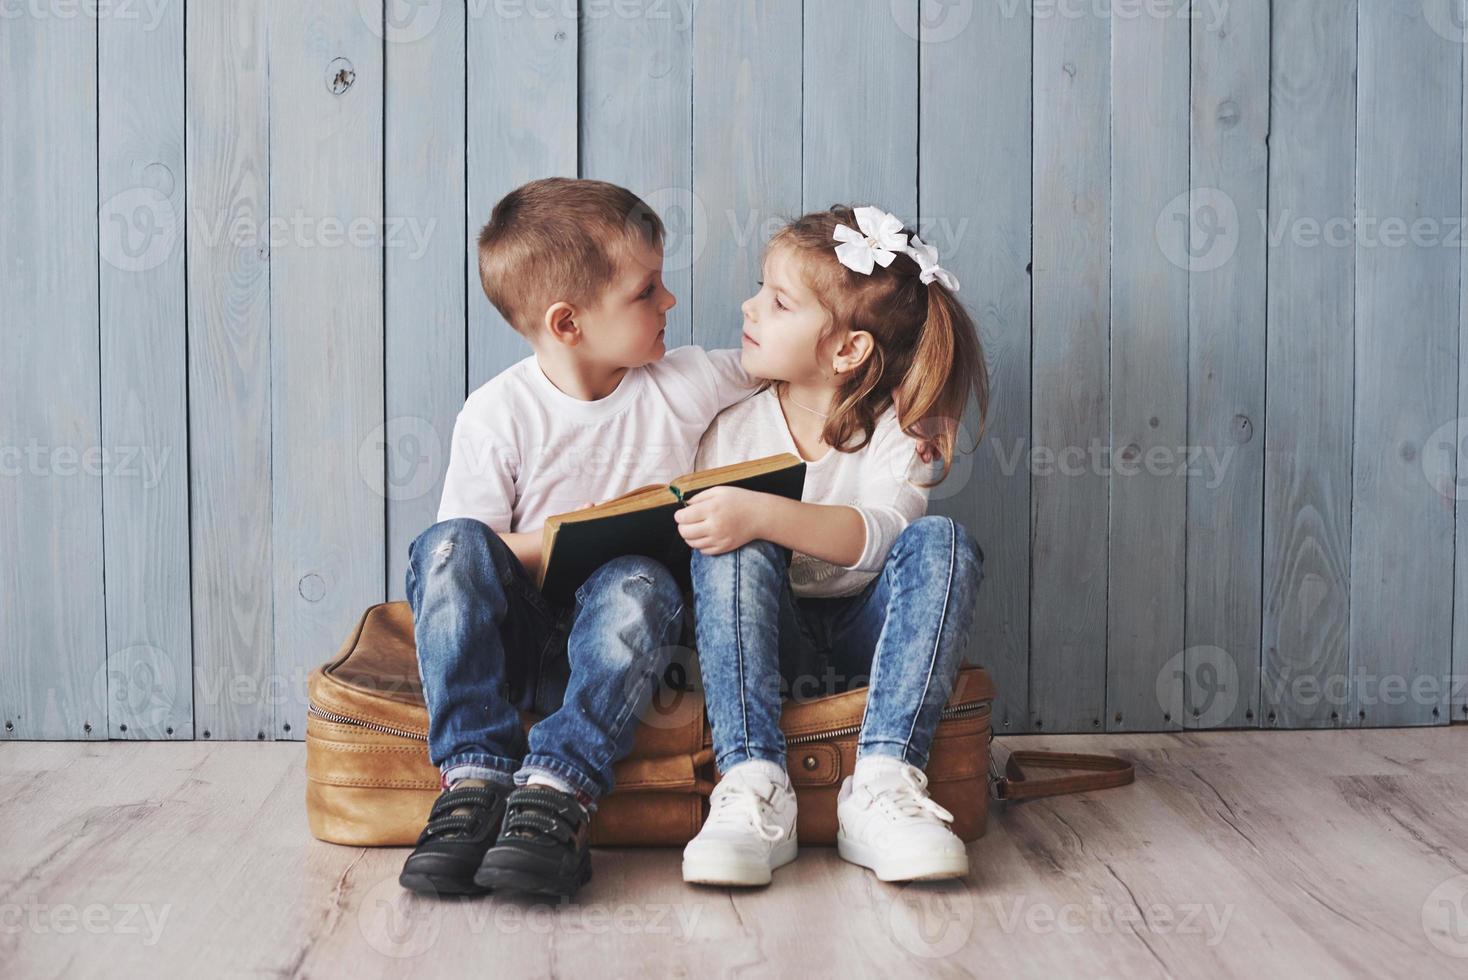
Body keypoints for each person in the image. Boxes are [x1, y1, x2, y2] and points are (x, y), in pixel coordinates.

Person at [400, 177, 756, 899]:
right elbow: (473, 554)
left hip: (625, 650)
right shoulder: (497, 413)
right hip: (521, 646)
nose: (670, 303)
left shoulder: (680, 381)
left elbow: (790, 368)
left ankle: (559, 786)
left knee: (636, 578)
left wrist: (908, 398)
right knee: (447, 542)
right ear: (568, 324)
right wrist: (576, 531)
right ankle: (474, 773)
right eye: (646, 290)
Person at [677, 205, 989, 886]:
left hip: (866, 645)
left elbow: (882, 536)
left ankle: (883, 784)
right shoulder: (727, 425)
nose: (750, 307)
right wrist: (742, 525)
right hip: (766, 646)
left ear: (848, 349)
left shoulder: (898, 430)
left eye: (779, 301)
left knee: (942, 541)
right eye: (762, 289)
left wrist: (765, 511)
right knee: (731, 544)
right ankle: (752, 783)